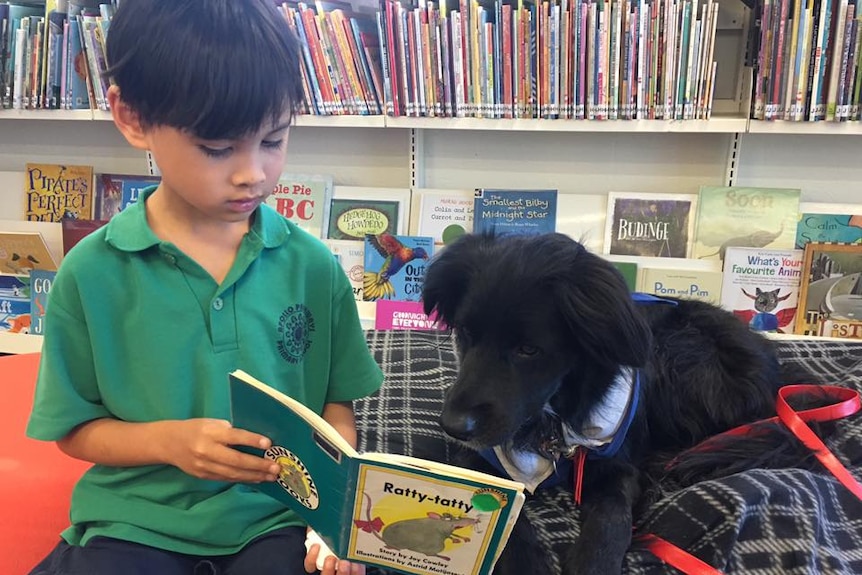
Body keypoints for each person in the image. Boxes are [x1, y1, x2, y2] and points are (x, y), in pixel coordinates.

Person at [25, 1, 383, 574]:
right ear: (131, 116)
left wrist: (333, 517)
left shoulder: (314, 266)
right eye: (218, 149)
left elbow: (335, 407)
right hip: (134, 522)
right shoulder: (91, 272)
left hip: (278, 519)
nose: (253, 173)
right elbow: (74, 431)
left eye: (274, 139)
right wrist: (170, 442)